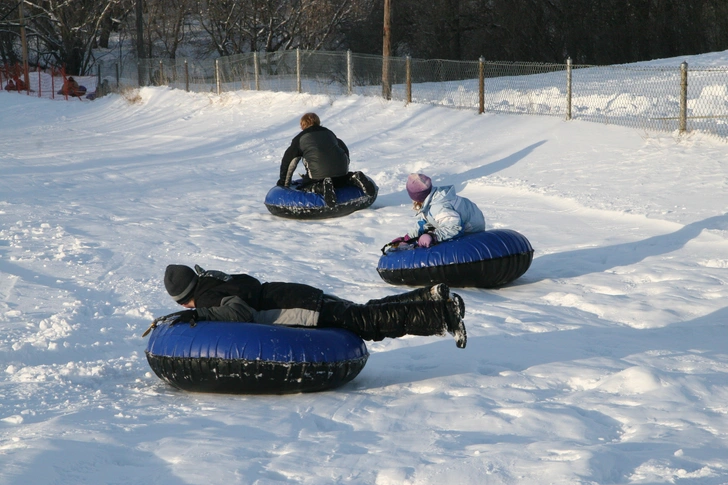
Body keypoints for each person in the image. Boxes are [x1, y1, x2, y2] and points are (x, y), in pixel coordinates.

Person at [147, 264, 467, 348]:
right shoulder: (214, 280)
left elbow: (239, 312)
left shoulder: (205, 299)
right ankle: (429, 297)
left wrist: (201, 313)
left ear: (183, 298)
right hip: (296, 292)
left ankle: (443, 316)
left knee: (367, 323)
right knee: (362, 311)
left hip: (301, 309)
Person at [277, 112, 376, 206]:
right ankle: (351, 178)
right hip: (341, 172)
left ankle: (321, 187)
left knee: (305, 186)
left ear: (302, 125)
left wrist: (283, 183)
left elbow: (288, 162)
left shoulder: (300, 138)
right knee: (340, 180)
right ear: (318, 122)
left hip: (318, 176)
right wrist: (344, 168)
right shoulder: (329, 133)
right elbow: (344, 150)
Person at [390, 173, 486, 249]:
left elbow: (455, 228)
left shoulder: (439, 206)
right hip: (454, 225)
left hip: (471, 232)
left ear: (417, 196)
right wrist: (407, 238)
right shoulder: (430, 201)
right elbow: (423, 223)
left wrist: (433, 236)